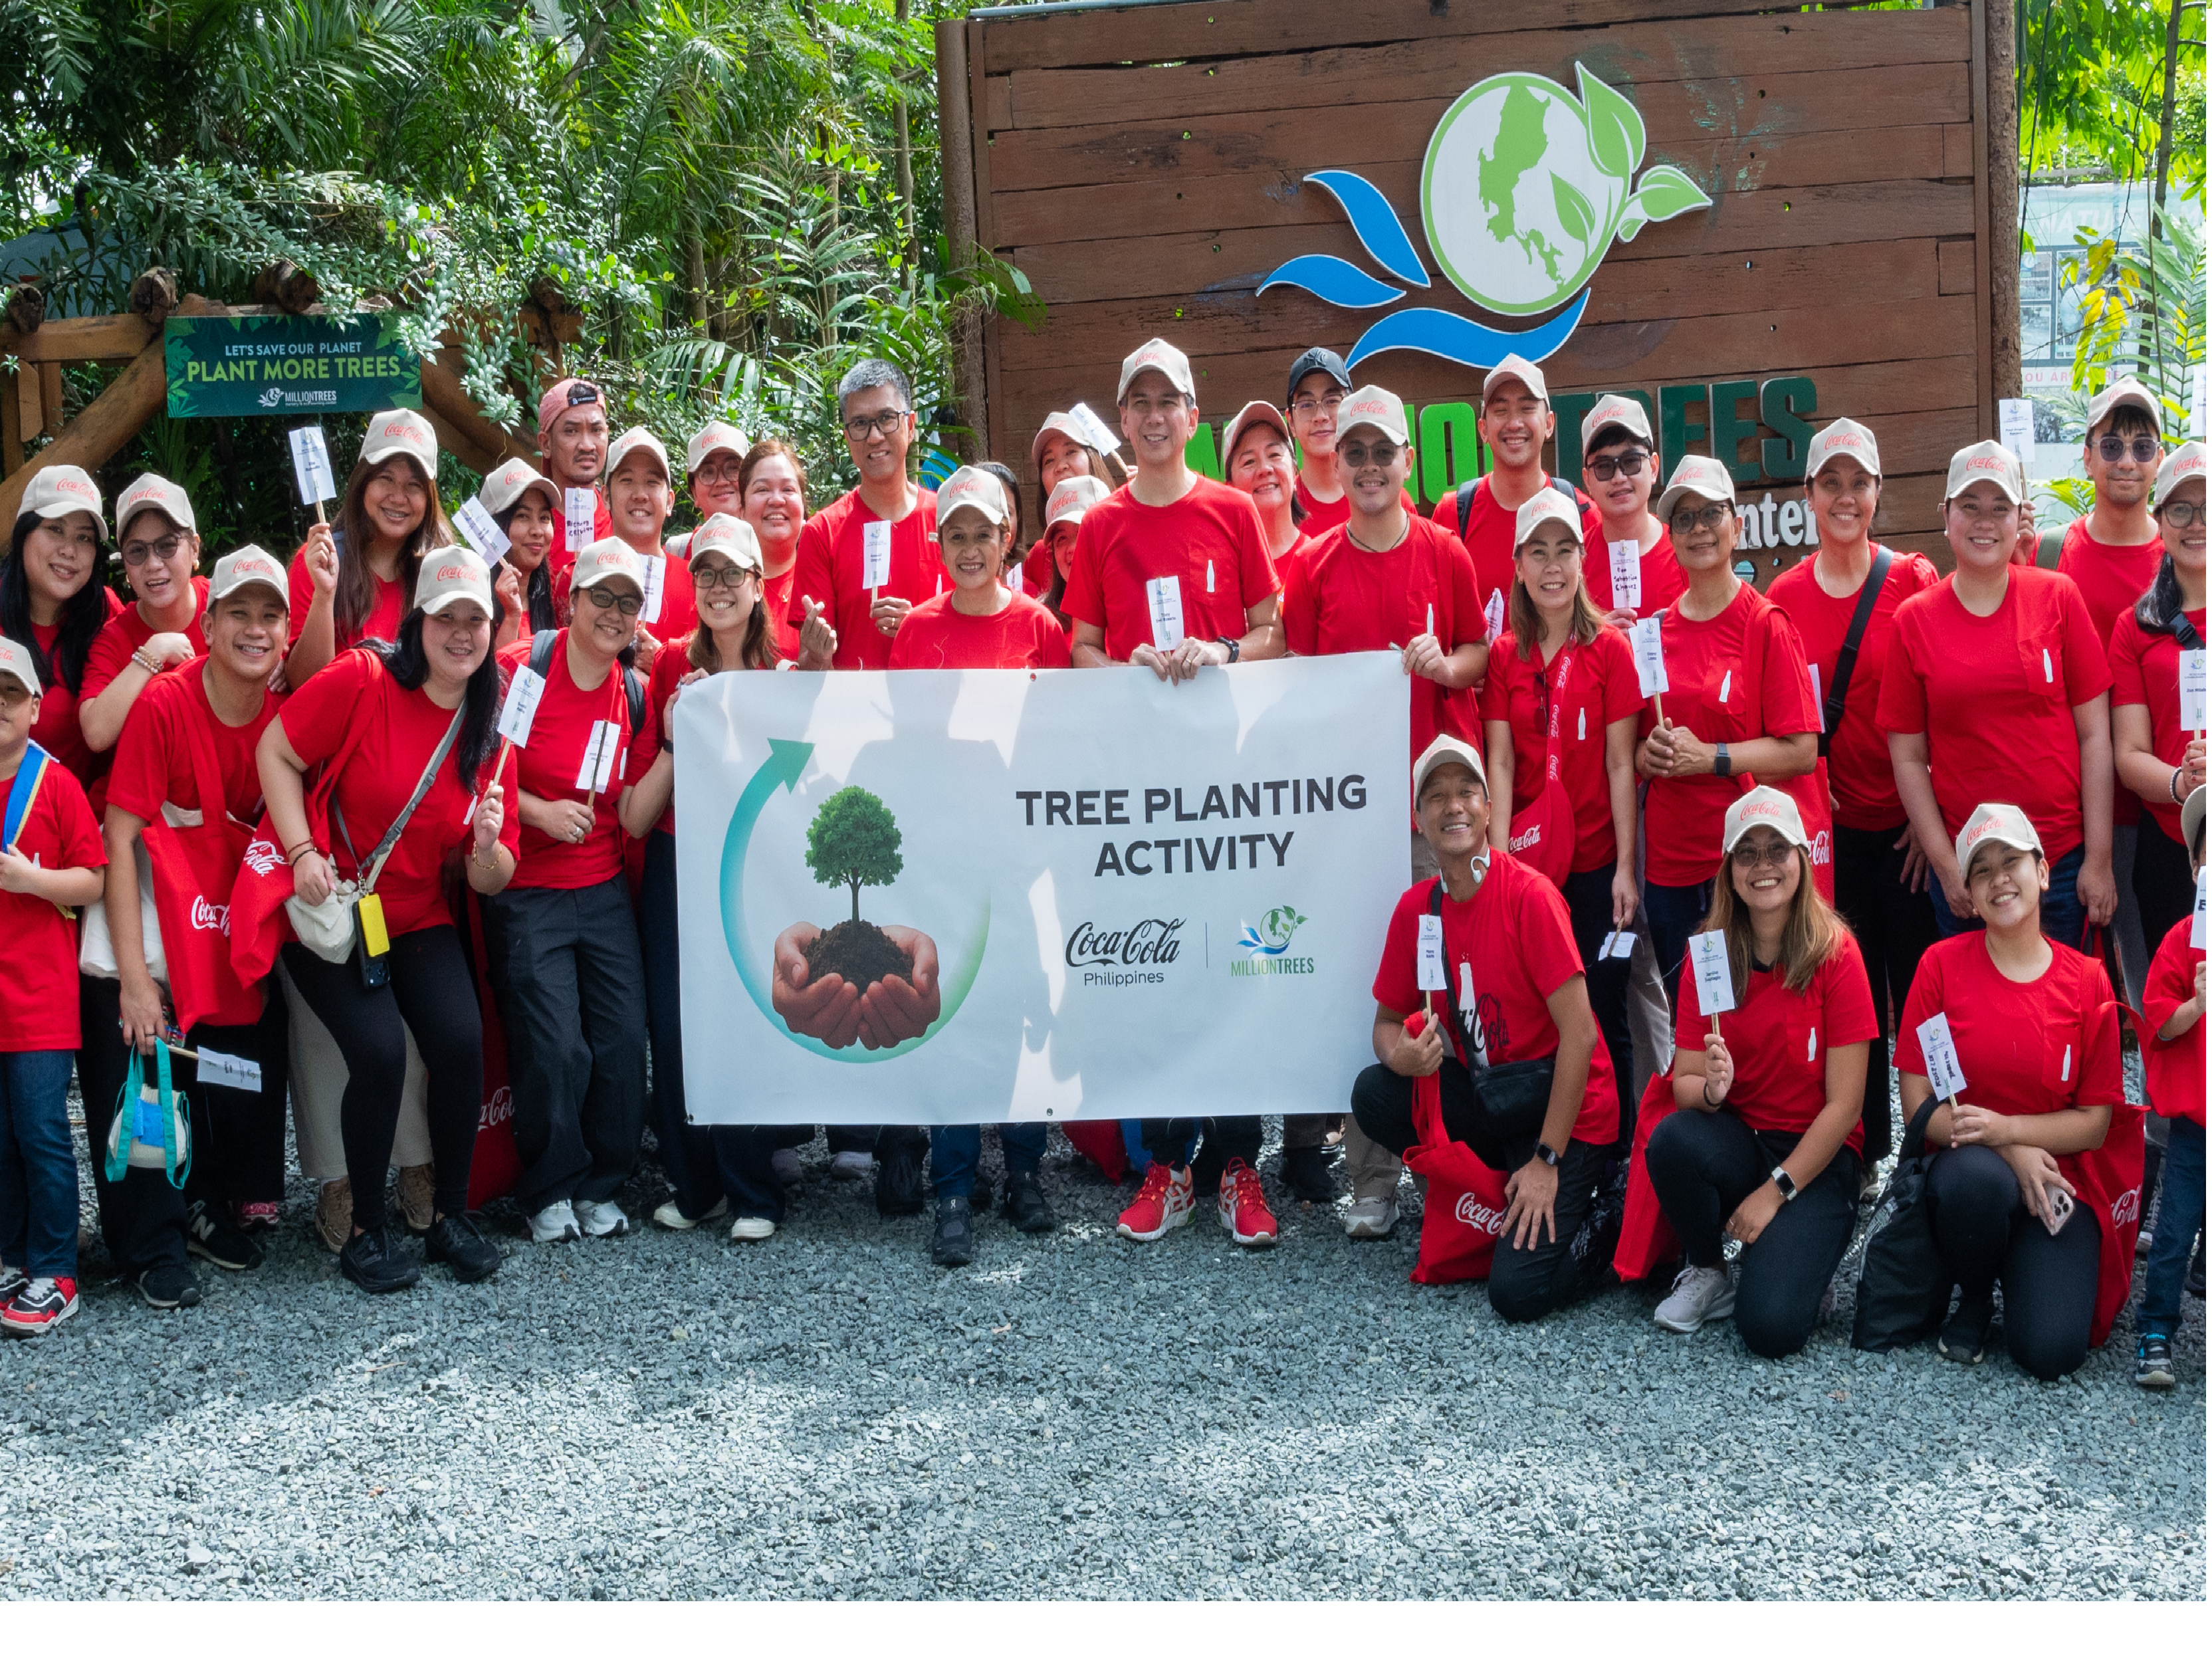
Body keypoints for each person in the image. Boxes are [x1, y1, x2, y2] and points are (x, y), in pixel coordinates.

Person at [1062, 336, 1283, 1246]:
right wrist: (1128, 668)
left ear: (1197, 416)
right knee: (1152, 970)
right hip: (1141, 800)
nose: (1156, 417)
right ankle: (1164, 1160)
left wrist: (1220, 652)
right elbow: (1078, 647)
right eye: (1140, 402)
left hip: (1224, 797)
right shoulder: (1106, 525)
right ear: (1125, 420)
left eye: (1172, 400)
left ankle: (1235, 1163)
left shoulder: (1233, 511)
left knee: (1232, 969)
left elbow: (1274, 633)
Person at [259, 550, 515, 1293]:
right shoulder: (363, 679)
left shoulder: (489, 726)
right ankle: (366, 1229)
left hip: (415, 912)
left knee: (461, 1039)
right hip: (330, 905)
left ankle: (450, 1217)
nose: (462, 633)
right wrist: (302, 849)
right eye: (447, 617)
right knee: (378, 1052)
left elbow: (487, 877)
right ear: (419, 623)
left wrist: (492, 844)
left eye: (477, 619)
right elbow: (275, 750)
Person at [1281, 384, 1486, 1232]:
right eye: (1354, 453)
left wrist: (1443, 666)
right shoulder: (1313, 565)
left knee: (1447, 985)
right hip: (1344, 819)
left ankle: (1457, 1161)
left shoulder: (1447, 552)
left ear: (1408, 461)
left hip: (1432, 818)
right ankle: (1371, 1175)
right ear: (1339, 463)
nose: (1368, 467)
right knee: (1372, 991)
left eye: (1381, 452)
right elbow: (1291, 685)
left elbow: (1480, 655)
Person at [1351, 735, 1621, 1322]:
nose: (1454, 806)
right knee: (1374, 1091)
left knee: (1516, 1295)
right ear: (1419, 821)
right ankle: (1491, 1190)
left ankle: (1615, 1213)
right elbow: (1385, 1025)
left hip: (1566, 1110)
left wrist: (1548, 1161)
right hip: (1494, 1096)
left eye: (1467, 792)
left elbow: (1581, 1037)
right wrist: (1403, 1057)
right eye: (1437, 796)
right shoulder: (1416, 910)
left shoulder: (1531, 898)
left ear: (1489, 808)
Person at [86, 548, 293, 1303]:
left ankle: (206, 1202)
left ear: (284, 632)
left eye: (269, 615)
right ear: (208, 623)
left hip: (210, 904)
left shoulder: (280, 717)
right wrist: (136, 984)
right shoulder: (164, 703)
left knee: (226, 1051)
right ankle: (149, 1245)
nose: (253, 627)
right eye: (238, 612)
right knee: (140, 1060)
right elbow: (116, 834)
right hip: (139, 900)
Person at [876, 467, 1065, 1263]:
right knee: (949, 1014)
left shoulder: (1041, 628)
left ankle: (1023, 1171)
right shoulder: (916, 632)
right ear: (939, 543)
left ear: (1006, 539)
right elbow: (900, 746)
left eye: (983, 533)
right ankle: (953, 1186)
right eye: (955, 535)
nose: (969, 548)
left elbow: (1062, 743)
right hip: (947, 862)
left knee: (1023, 1017)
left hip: (1020, 855)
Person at [1892, 802, 2137, 1379]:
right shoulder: (1939, 967)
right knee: (1972, 1184)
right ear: (1969, 896)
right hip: (1969, 1168)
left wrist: (2013, 1133)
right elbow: (1917, 1105)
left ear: (2044, 872)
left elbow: (2096, 1122)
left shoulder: (2088, 981)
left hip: (2060, 1177)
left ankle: (2020, 1269)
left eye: (2012, 862)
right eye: (1982, 871)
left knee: (2050, 1353)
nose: (2000, 879)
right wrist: (2006, 1148)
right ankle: (1975, 1295)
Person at [1636, 788, 1876, 1354]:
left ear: (1802, 859)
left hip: (1816, 1161)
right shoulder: (1710, 951)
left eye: (1777, 850)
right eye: (1747, 854)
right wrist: (1714, 1093)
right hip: (1744, 1138)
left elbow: (1846, 1107)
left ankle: (1803, 1262)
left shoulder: (1838, 954)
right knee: (1674, 1138)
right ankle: (1707, 1269)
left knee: (1770, 1330)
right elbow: (1684, 1083)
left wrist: (1776, 1191)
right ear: (1728, 870)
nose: (1763, 866)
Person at [1767, 419, 1941, 1178]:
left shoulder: (1912, 580)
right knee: (1849, 998)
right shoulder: (1782, 597)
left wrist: (1926, 810)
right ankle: (1863, 1148)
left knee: (1920, 992)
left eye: (1857, 483)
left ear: (1878, 493)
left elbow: (1943, 700)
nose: (1844, 497)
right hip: (1826, 840)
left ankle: (1928, 1147)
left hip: (1903, 832)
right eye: (1829, 483)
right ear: (1807, 494)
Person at [625, 514, 804, 1244]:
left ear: (759, 586)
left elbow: (809, 779)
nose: (720, 587)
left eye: (734, 574)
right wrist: (675, 732)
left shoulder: (786, 668)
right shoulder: (669, 662)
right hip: (678, 854)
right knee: (674, 1024)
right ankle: (695, 1186)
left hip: (756, 862)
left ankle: (754, 1189)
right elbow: (638, 808)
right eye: (706, 573)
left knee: (749, 1016)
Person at [484, 539, 660, 1244]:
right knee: (556, 1044)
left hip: (604, 884)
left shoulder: (634, 692)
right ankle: (548, 1185)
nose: (614, 614)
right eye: (602, 597)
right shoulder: (525, 671)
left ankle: (602, 1182)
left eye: (628, 601)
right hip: (529, 887)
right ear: (571, 599)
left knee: (621, 1039)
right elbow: (482, 776)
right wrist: (540, 812)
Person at [1878, 441, 2116, 948]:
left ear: (2019, 518)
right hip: (1972, 869)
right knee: (1975, 1020)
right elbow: (1907, 758)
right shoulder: (1913, 621)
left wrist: (2099, 860)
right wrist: (1946, 868)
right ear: (1946, 516)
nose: (1985, 521)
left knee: (2062, 1018)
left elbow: (2096, 735)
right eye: (1970, 506)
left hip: (2060, 863)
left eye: (2000, 508)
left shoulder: (2058, 598)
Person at [1480, 487, 1641, 1142]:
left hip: (1597, 866)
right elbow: (1500, 765)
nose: (1552, 566)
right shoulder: (1502, 656)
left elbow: (1621, 766)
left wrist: (1627, 869)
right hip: (1528, 870)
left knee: (1604, 1009)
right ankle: (1550, 1148)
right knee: (1538, 1013)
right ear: (1518, 565)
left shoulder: (1609, 651)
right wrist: (1495, 869)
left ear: (1582, 560)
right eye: (1538, 552)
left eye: (1564, 551)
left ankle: (1619, 1159)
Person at [1634, 455, 1822, 995]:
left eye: (1711, 514)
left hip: (1745, 862)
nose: (1699, 529)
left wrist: (1714, 756)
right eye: (1684, 519)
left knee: (1753, 1015)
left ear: (1737, 527)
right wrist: (1655, 756)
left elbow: (1801, 750)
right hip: (1671, 867)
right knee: (1693, 1021)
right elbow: (1638, 750)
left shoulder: (1766, 624)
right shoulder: (1653, 633)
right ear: (1670, 537)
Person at [0, 636, 107, 1335]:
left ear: (35, 706)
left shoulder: (55, 782)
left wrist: (33, 881)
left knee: (41, 1131)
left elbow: (94, 879)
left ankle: (55, 1270)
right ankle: (11, 1254)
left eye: (9, 695)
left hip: (39, 997)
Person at [2056, 378, 2167, 1004]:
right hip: (2083, 810)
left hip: (2167, 811)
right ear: (2088, 454)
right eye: (2113, 444)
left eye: (2142, 446)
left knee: (2169, 982)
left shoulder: (2182, 555)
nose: (2127, 459)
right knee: (2099, 989)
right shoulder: (2054, 552)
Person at [1429, 354, 1602, 640]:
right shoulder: (1453, 515)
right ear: (1483, 429)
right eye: (1501, 411)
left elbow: (1594, 624)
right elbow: (1439, 626)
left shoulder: (1583, 514)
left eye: (1526, 408)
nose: (1514, 423)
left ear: (1549, 424)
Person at [2110, 441, 2205, 953]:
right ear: (2161, 519)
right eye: (2182, 509)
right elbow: (2127, 754)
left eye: (2207, 507)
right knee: (2178, 1005)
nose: (2197, 523)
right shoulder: (2135, 628)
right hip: (2170, 849)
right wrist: (2179, 781)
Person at [792, 360, 939, 675]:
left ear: (911, 425)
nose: (874, 437)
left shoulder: (950, 521)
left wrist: (919, 627)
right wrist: (818, 654)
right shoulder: (823, 532)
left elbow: (981, 627)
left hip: (940, 712)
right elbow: (808, 665)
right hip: (854, 716)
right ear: (847, 436)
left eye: (887, 419)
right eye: (860, 424)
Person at [2132, 784, 2204, 1390]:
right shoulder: (2184, 940)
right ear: (2194, 865)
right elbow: (2158, 1019)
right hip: (2194, 1125)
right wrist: (2197, 1003)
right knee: (2175, 1230)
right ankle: (2156, 1330)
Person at [284, 409, 441, 687]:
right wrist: (325, 594)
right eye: (386, 479)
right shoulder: (319, 562)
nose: (398, 497)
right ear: (363, 484)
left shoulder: (440, 574)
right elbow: (303, 684)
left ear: (428, 499)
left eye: (414, 485)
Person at [0, 465, 122, 790]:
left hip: (95, 820)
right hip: (13, 822)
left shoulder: (104, 610)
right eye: (55, 529)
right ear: (23, 533)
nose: (70, 550)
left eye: (84, 537)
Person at [78, 473, 210, 756]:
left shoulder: (225, 602)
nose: (153, 564)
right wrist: (152, 654)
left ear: (195, 547)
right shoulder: (114, 638)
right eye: (137, 551)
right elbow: (96, 733)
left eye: (166, 546)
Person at [562, 426, 693, 667]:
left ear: (670, 501)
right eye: (627, 481)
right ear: (606, 497)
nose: (640, 494)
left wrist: (666, 667)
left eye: (652, 483)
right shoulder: (577, 577)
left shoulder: (696, 584)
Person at [1577, 395, 1682, 626]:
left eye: (1631, 461)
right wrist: (1594, 641)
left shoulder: (1686, 551)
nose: (1619, 478)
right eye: (1604, 467)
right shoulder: (1572, 563)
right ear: (1587, 480)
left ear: (1653, 468)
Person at [1025, 411, 1125, 592]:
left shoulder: (1125, 532)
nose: (1060, 466)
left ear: (1093, 460)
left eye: (1071, 452)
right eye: (1049, 460)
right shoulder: (1039, 558)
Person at [740, 437, 808, 662]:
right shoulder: (721, 584)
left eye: (788, 489)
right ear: (742, 510)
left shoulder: (825, 579)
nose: (777, 500)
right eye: (762, 489)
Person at [1223, 399, 1308, 580]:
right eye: (1249, 462)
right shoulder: (1224, 573)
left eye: (1274, 455)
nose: (1265, 469)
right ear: (1230, 488)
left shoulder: (1321, 562)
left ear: (1294, 473)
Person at [481, 457, 562, 648]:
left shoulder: (554, 603)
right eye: (522, 516)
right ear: (492, 528)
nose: (537, 530)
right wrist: (511, 617)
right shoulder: (474, 602)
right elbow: (495, 676)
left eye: (544, 518)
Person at [538, 378, 614, 572]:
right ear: (546, 444)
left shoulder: (623, 516)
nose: (587, 445)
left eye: (596, 430)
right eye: (571, 431)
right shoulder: (530, 530)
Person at [1034, 475, 1107, 629]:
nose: (1072, 548)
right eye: (1061, 539)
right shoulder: (1040, 623)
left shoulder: (1136, 607)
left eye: (1083, 532)